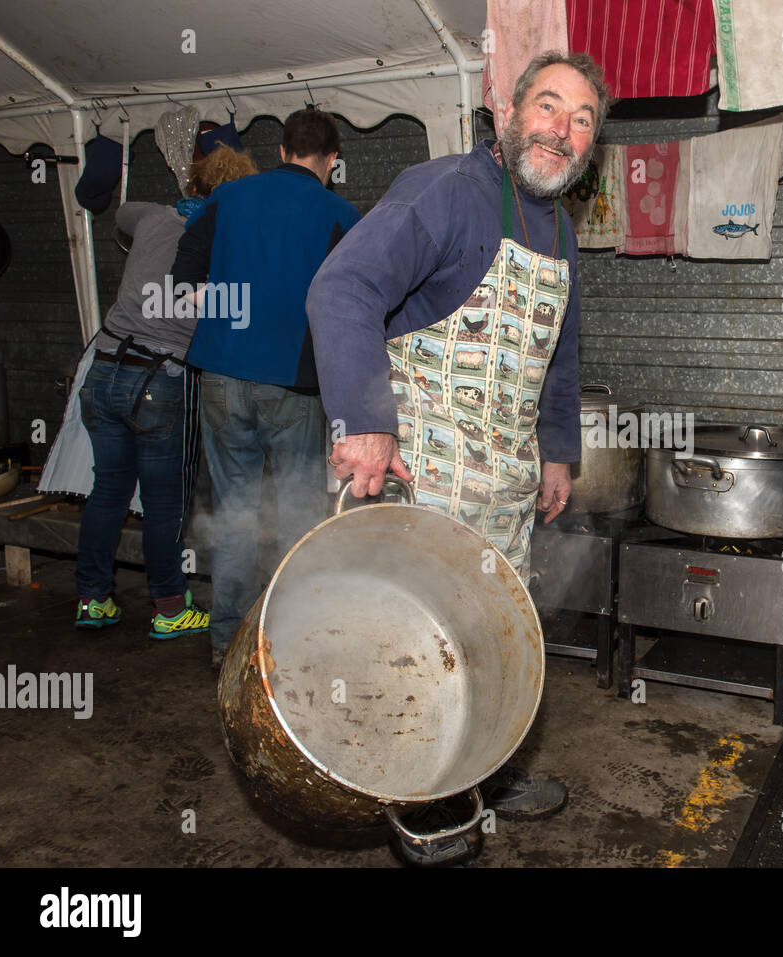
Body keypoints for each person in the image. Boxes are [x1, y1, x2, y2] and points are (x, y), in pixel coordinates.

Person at [304, 51, 608, 842]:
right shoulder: (447, 191)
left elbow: (560, 357)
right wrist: (363, 419)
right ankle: (401, 793)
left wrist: (557, 452)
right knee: (406, 652)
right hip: (421, 483)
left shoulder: (562, 234)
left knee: (485, 646)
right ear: (510, 111)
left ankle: (479, 777)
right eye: (549, 108)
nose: (562, 131)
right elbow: (342, 287)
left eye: (582, 121)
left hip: (502, 492)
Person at [171, 108, 360, 668]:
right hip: (293, 386)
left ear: (280, 151)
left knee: (234, 509)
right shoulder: (339, 213)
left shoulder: (228, 198)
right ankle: (288, 644)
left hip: (220, 377)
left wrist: (224, 317)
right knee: (300, 513)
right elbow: (352, 305)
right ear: (331, 162)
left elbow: (184, 273)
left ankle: (225, 641)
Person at [75, 145, 258, 638]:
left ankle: (92, 599)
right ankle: (170, 609)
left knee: (108, 491)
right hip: (157, 381)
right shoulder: (226, 239)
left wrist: (172, 212)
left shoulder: (157, 217)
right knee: (162, 504)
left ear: (194, 187)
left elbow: (123, 213)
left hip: (104, 369)